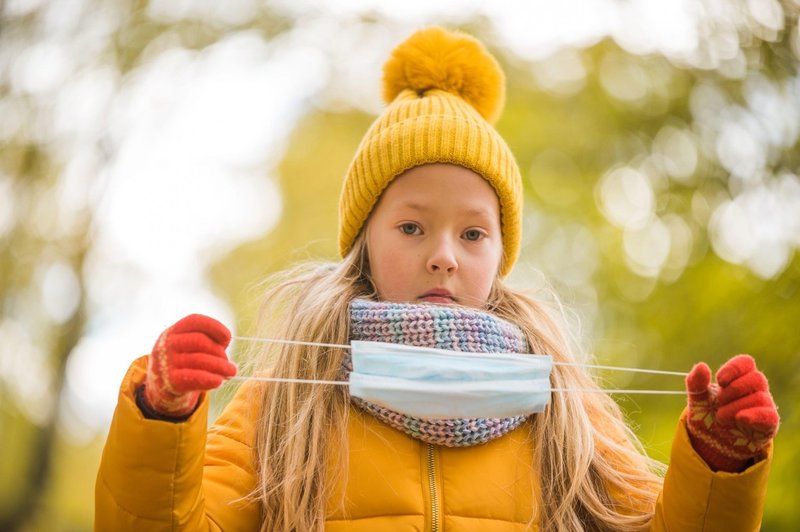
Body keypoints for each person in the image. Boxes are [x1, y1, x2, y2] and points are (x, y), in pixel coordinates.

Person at [95, 26, 779, 531]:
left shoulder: (560, 398)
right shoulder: (288, 395)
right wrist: (163, 416)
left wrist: (716, 466)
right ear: (364, 240)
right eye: (413, 228)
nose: (445, 255)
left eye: (473, 233)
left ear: (501, 251)